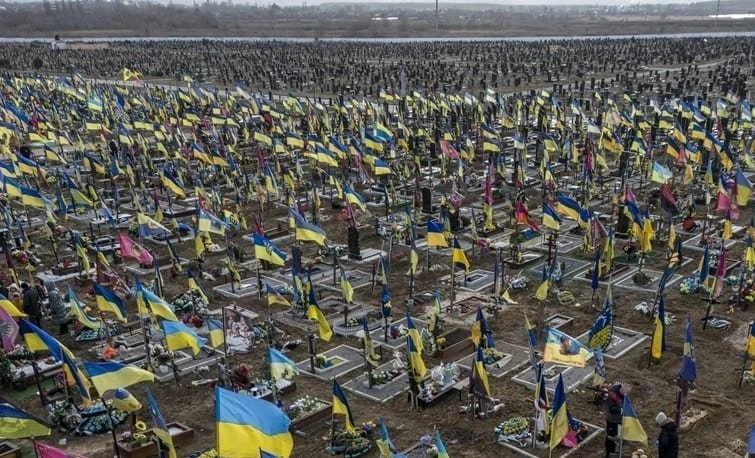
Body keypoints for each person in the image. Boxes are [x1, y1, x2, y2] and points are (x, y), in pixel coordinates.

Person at [604, 383, 630, 457]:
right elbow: (611, 408)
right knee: (611, 438)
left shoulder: (623, 395)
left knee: (619, 437)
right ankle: (609, 454)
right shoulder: (612, 395)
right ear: (622, 390)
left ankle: (617, 452)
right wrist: (621, 410)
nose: (626, 394)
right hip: (612, 420)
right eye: (625, 393)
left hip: (620, 420)